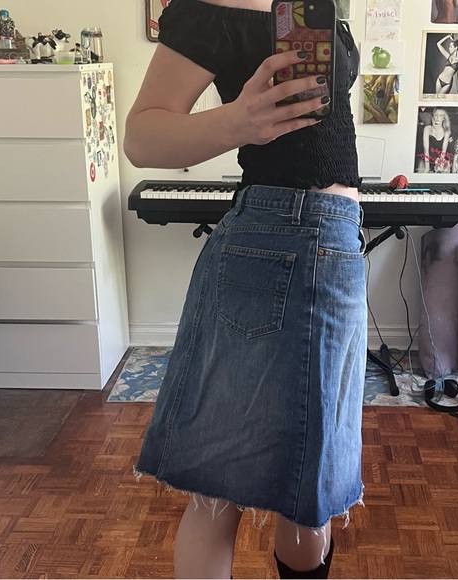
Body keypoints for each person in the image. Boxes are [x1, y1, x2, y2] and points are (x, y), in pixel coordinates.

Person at [124, 1, 366, 578]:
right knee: (222, 488)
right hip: (278, 238)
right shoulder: (216, 7)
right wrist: (238, 122)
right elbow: (140, 138)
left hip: (332, 246)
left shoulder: (308, 8)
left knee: (308, 489)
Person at [418, 108, 452, 173]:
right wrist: (427, 168)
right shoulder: (427, 129)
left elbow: (444, 151)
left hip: (440, 161)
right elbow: (425, 150)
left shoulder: (446, 132)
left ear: (443, 118)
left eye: (441, 116)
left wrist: (439, 166)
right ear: (433, 116)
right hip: (426, 159)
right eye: (436, 115)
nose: (437, 118)